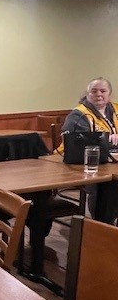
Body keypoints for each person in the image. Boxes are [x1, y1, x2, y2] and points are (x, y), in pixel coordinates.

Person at [59, 77, 118, 223]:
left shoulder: (115, 109)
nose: (99, 94)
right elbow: (79, 142)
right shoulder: (78, 114)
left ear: (109, 94)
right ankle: (102, 223)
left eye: (103, 91)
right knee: (108, 184)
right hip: (82, 162)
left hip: (112, 160)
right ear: (87, 94)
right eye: (94, 91)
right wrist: (107, 140)